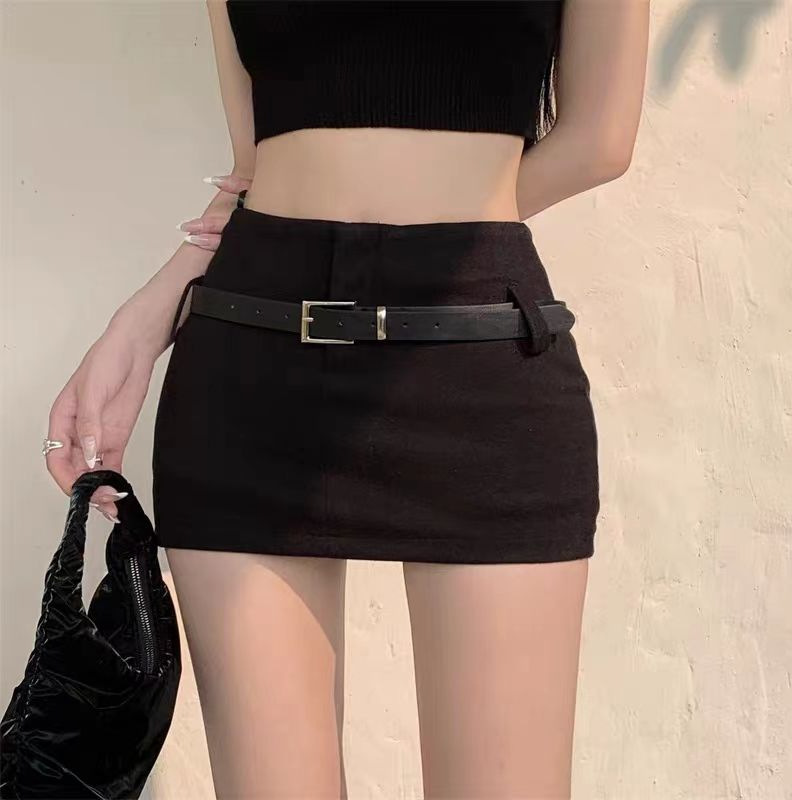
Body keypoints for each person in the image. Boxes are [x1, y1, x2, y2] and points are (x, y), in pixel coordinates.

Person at [44, 1, 649, 797]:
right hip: (249, 353)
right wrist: (146, 318)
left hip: (477, 353)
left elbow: (600, 139)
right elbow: (253, 170)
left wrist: (435, 238)